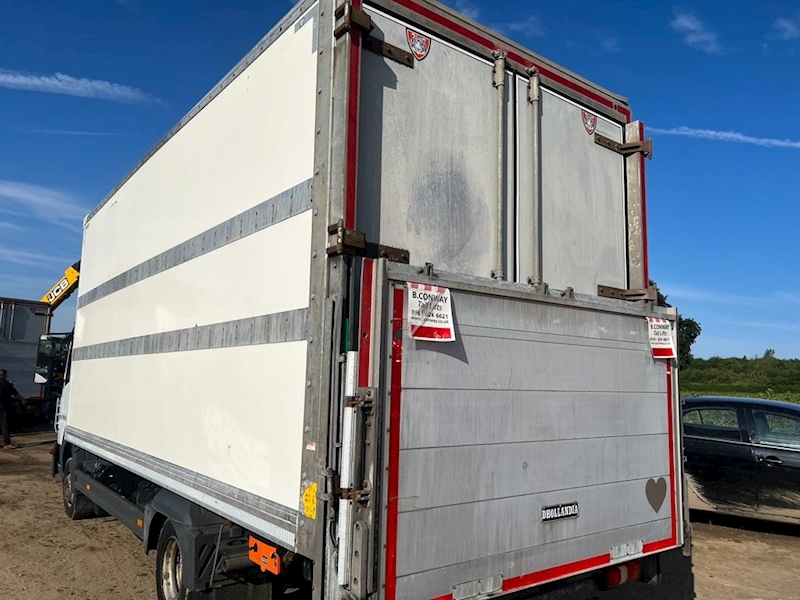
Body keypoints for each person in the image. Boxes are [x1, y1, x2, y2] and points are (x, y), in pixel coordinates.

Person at [0, 369, 24, 450]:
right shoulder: (6, 384)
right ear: (4, 375)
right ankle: (7, 444)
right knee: (4, 425)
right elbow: (15, 394)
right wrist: (23, 399)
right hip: (3, 407)